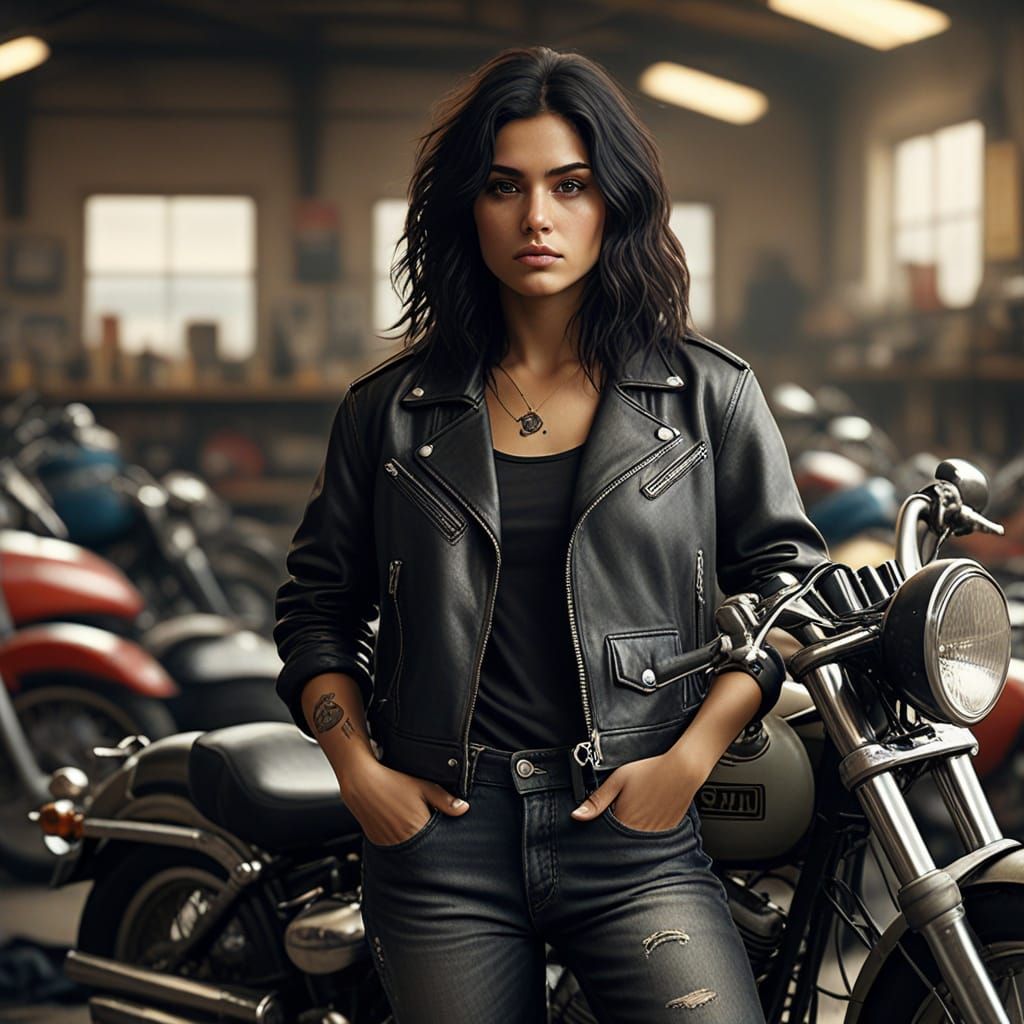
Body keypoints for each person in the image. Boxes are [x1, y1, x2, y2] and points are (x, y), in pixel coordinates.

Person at [274, 46, 827, 1024]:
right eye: (504, 187)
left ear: (611, 201)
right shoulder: (387, 412)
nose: (537, 217)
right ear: (467, 210)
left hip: (634, 828)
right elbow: (317, 609)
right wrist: (358, 772)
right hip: (439, 838)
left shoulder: (708, 396)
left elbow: (793, 595)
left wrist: (690, 757)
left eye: (569, 185)